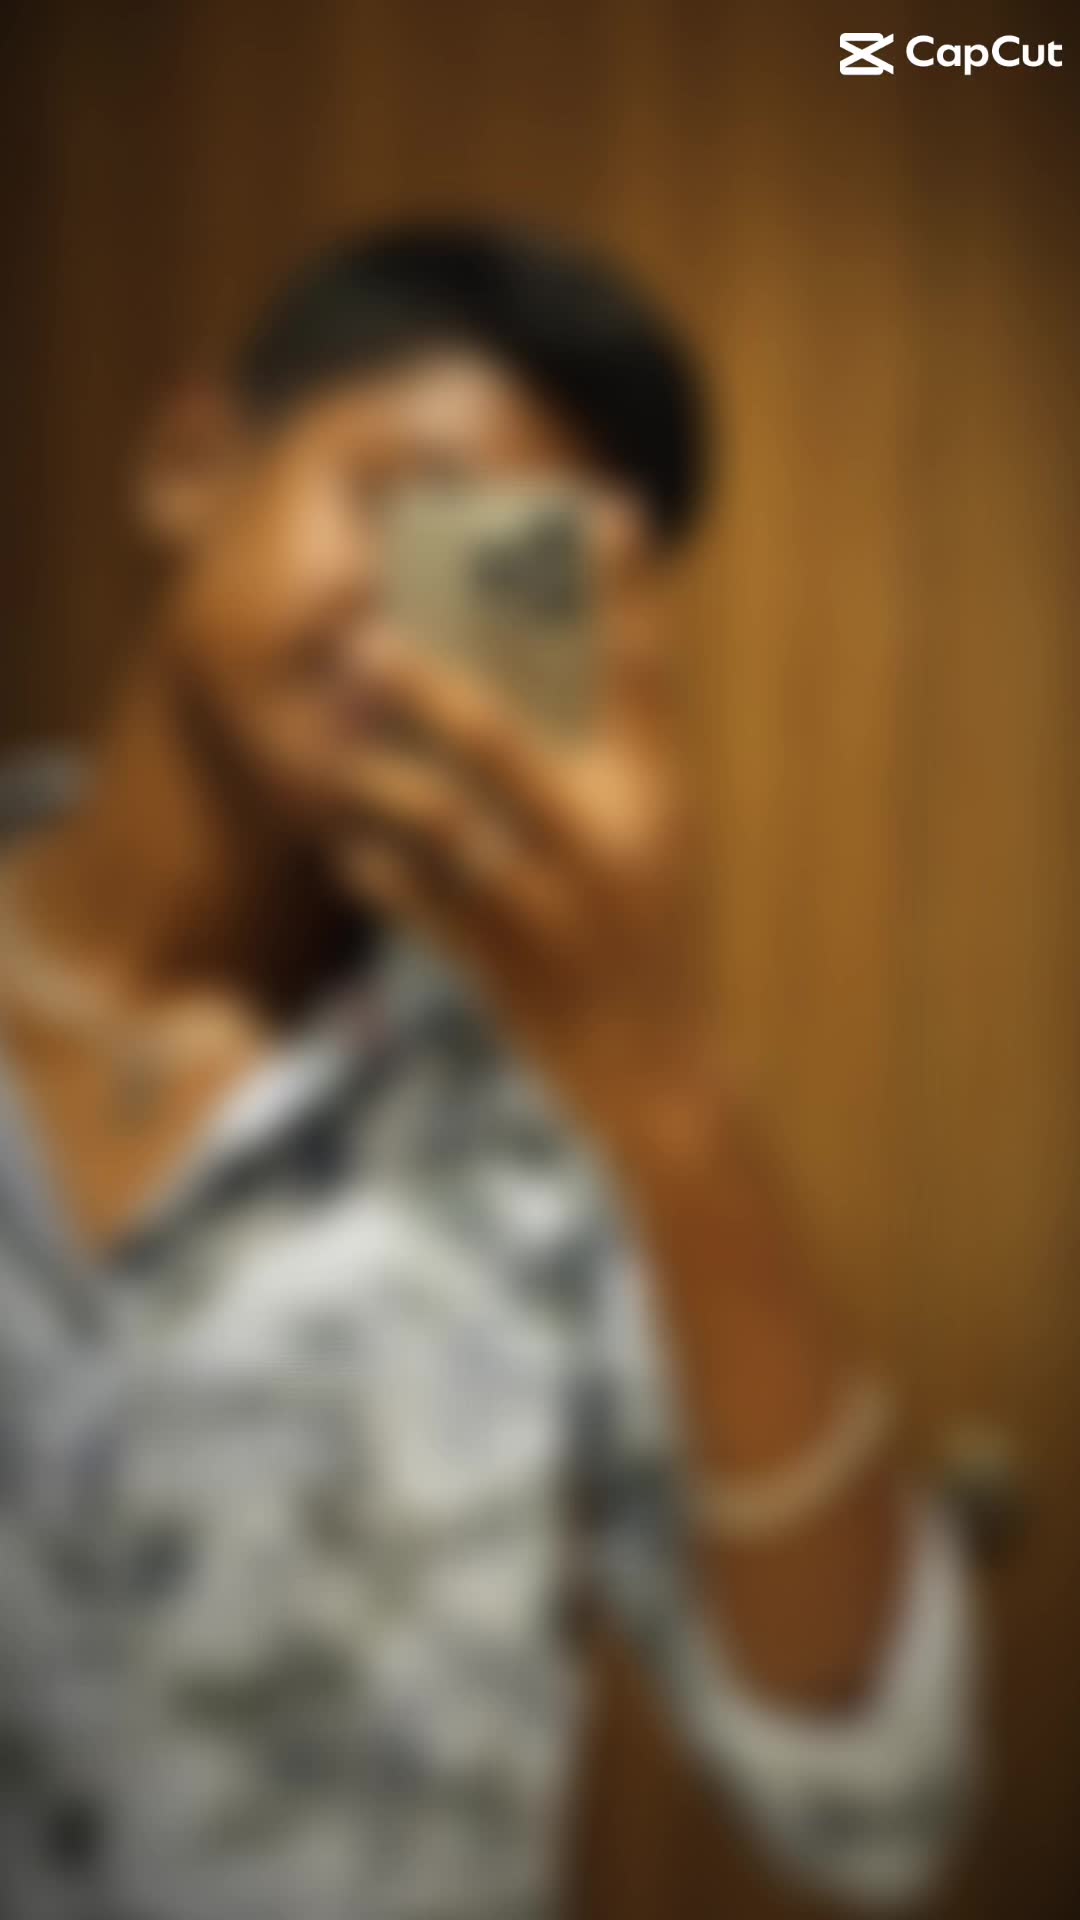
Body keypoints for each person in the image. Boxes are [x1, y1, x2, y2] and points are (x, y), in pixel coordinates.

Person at [0, 222, 975, 1920]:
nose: (413, 627)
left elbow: (876, 1805)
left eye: (513, 580)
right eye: (404, 505)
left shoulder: (561, 1133)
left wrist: (666, 1088)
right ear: (191, 466)